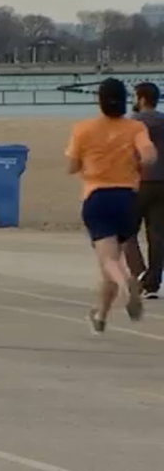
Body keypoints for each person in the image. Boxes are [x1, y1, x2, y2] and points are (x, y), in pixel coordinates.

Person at [66, 78, 157, 334]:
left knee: (109, 260)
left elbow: (72, 166)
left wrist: (88, 162)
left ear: (100, 100)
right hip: (128, 199)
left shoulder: (84, 129)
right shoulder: (135, 128)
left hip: (98, 197)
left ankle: (128, 286)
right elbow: (149, 155)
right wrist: (137, 164)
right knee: (112, 262)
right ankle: (101, 316)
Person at [125, 82, 164, 300]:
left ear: (140, 99)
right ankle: (153, 283)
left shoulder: (132, 124)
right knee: (157, 234)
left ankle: (140, 273)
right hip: (162, 182)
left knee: (127, 232)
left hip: (138, 182)